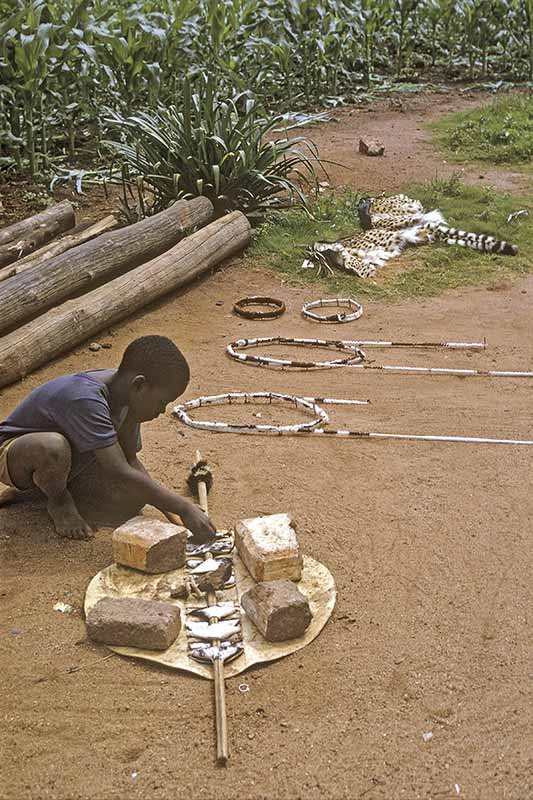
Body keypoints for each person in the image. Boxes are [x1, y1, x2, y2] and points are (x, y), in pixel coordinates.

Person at [0, 335, 216, 543]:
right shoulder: (85, 398)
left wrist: (172, 512)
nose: (162, 410)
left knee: (133, 500)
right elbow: (118, 470)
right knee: (53, 447)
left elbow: (129, 460)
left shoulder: (127, 393)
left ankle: (42, 490)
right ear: (139, 385)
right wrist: (183, 507)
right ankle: (58, 500)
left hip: (73, 456)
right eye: (162, 401)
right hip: (15, 454)